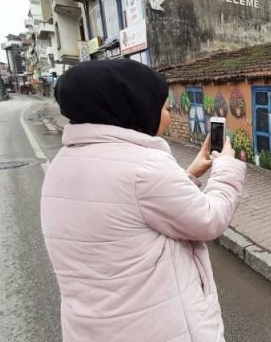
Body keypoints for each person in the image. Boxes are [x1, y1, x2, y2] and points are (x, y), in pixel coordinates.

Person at [40, 59, 246, 341]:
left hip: (92, 329)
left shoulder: (60, 165)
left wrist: (190, 173)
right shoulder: (145, 167)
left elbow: (131, 210)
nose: (169, 115)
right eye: (164, 107)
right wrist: (227, 169)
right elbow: (209, 219)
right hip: (158, 329)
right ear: (136, 108)